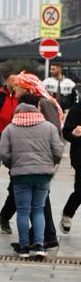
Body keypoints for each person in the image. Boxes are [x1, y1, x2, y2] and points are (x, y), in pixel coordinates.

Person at [0, 92, 64, 259]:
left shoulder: (10, 128)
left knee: (22, 211)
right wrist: (50, 164)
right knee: (38, 210)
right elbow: (58, 150)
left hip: (20, 176)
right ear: (37, 107)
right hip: (43, 175)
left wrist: (12, 165)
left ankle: (24, 247)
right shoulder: (49, 127)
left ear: (19, 106)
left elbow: (3, 152)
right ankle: (39, 246)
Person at [61, 98, 81, 233]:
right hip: (80, 156)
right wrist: (74, 134)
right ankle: (68, 214)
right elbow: (66, 132)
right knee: (80, 190)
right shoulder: (77, 110)